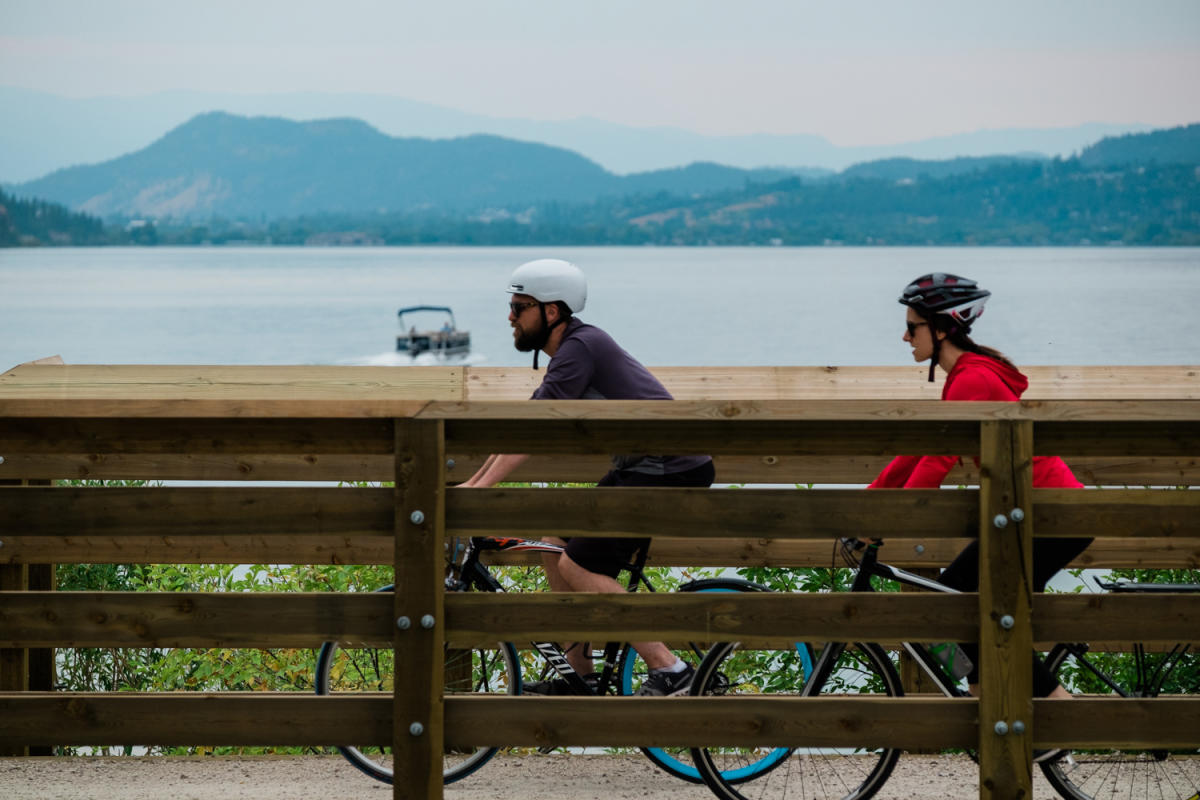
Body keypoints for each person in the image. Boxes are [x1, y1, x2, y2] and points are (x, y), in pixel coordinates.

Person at [458, 258, 715, 696]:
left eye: (520, 307)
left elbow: (535, 433)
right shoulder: (574, 348)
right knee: (554, 542)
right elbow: (528, 426)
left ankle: (670, 669)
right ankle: (579, 673)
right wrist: (473, 485)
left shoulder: (582, 347)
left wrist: (480, 489)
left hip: (667, 469)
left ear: (551, 311)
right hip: (642, 468)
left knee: (579, 565)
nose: (510, 317)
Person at [868, 273, 1092, 759]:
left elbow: (938, 459)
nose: (905, 336)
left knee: (959, 604)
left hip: (1052, 516)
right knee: (957, 604)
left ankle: (1058, 712)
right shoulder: (965, 375)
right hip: (1034, 514)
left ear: (942, 329)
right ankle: (989, 709)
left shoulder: (972, 378)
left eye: (912, 327)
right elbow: (922, 448)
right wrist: (870, 501)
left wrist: (893, 518)